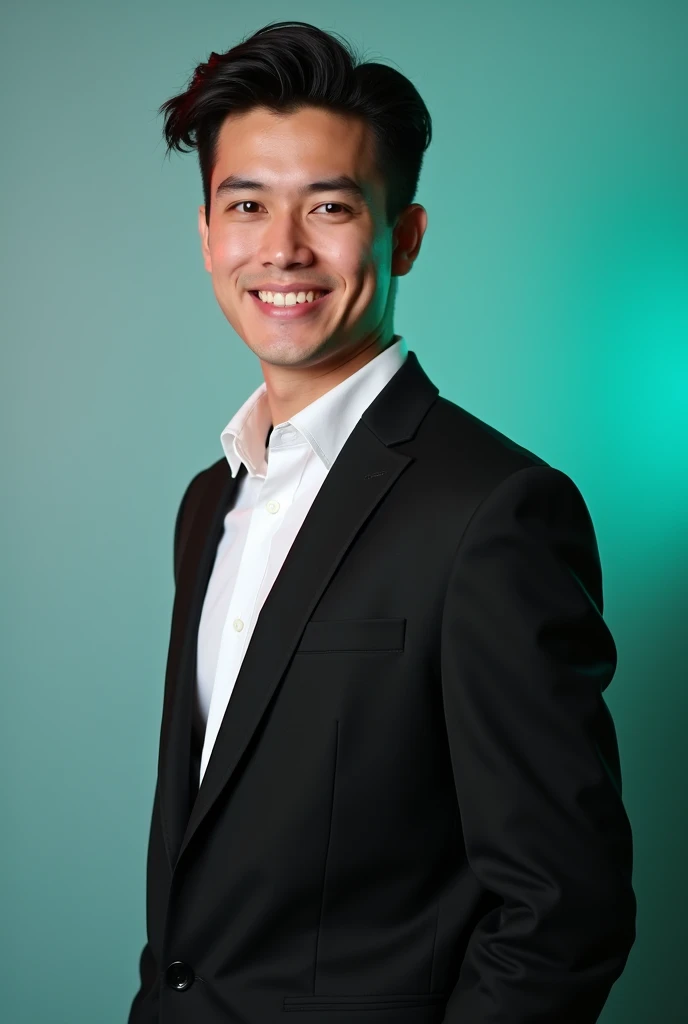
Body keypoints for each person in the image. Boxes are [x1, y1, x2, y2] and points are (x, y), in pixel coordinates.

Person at [128, 20, 636, 1024]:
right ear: (206, 236)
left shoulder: (493, 511)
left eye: (328, 205)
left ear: (401, 234)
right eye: (245, 205)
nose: (281, 249)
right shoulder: (208, 499)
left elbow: (561, 908)